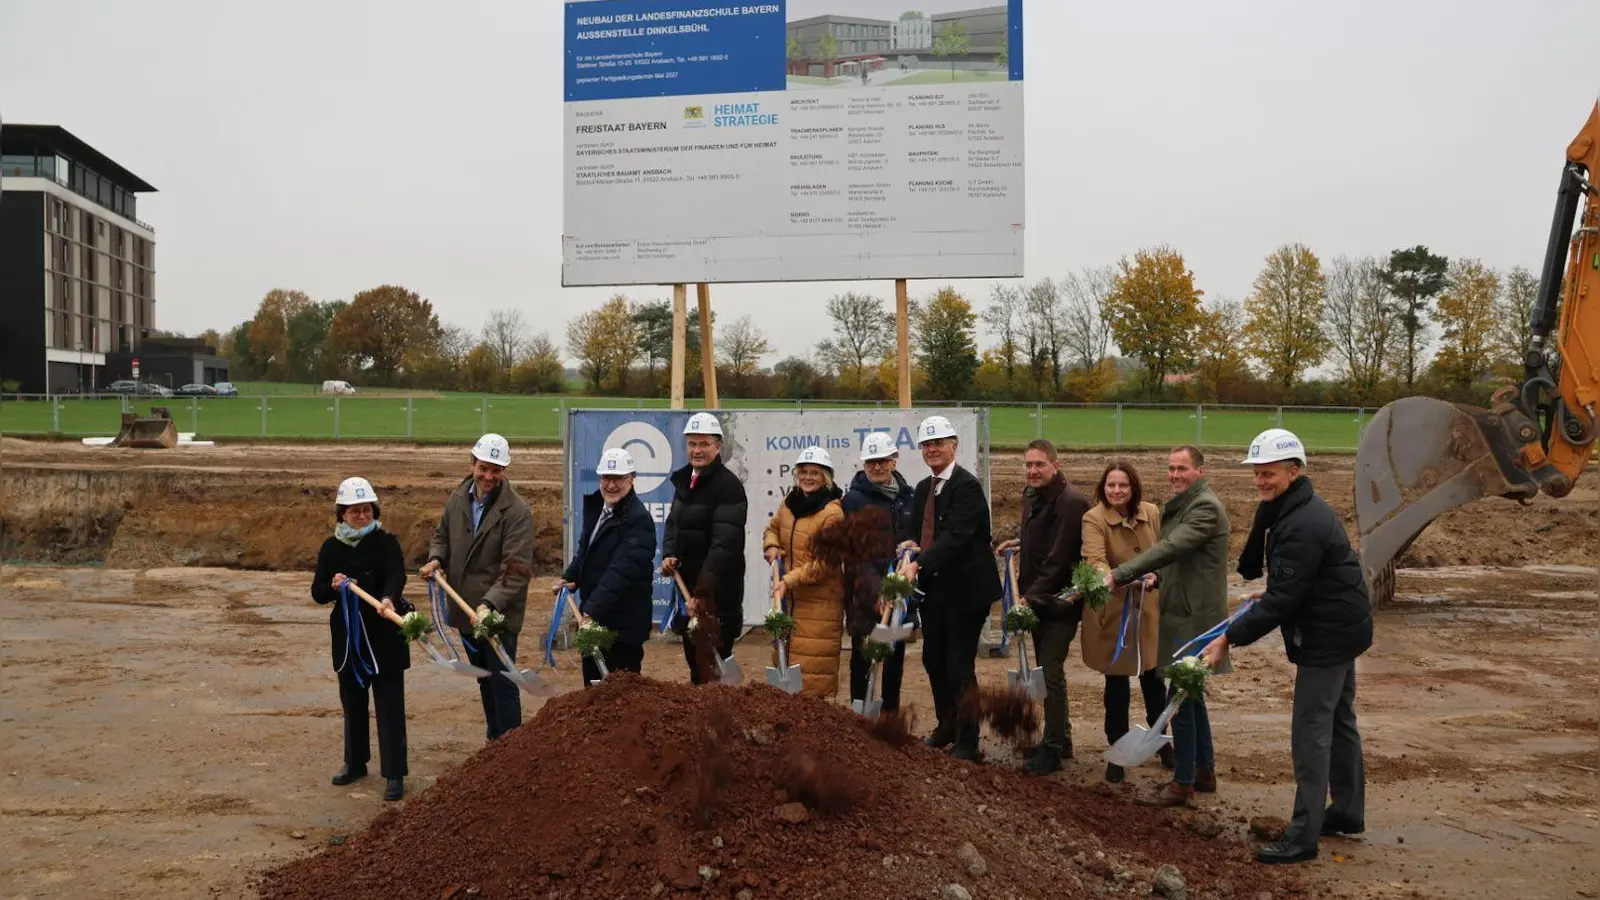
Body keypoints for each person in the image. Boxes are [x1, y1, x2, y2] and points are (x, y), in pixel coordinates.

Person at [1201, 429, 1372, 865]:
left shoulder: (1300, 524)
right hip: (1342, 626)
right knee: (1339, 721)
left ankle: (1303, 837)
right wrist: (1278, 590)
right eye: (1257, 473)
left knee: (1312, 733)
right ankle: (1348, 812)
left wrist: (1227, 638)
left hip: (1327, 636)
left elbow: (1283, 602)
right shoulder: (1297, 510)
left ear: (1294, 471)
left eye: (1270, 473)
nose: (1261, 481)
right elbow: (1294, 585)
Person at [1108, 445, 1231, 807]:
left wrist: (1121, 573)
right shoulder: (1184, 506)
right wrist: (1156, 578)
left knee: (1179, 697)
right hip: (1181, 609)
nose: (1175, 475)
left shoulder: (1205, 507)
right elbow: (1177, 562)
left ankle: (1183, 782)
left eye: (1183, 469)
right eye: (1171, 469)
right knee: (1190, 693)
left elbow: (1174, 547)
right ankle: (1204, 771)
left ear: (1201, 471)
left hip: (1195, 618)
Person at [421, 433, 536, 741]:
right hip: (464, 611)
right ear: (472, 464)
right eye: (483, 468)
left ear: (505, 471)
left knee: (503, 682)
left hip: (496, 615)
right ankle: (494, 739)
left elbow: (516, 569)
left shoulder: (517, 512)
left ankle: (510, 749)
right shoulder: (458, 498)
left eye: (496, 470)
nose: (489, 476)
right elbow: (441, 536)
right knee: (484, 678)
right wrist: (436, 559)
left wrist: (490, 604)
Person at [902, 415, 1002, 762]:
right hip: (935, 590)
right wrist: (907, 548)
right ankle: (946, 725)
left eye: (938, 444)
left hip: (967, 591)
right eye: (927, 445)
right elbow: (918, 533)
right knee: (933, 659)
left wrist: (919, 564)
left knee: (959, 665)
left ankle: (968, 739)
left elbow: (955, 537)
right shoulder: (922, 489)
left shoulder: (966, 487)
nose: (932, 450)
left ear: (953, 447)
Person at [310, 477, 410, 802]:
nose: (361, 516)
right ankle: (355, 763)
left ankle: (394, 773)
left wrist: (389, 598)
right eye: (354, 511)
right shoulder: (331, 548)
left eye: (366, 510)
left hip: (384, 636)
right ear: (342, 514)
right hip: (350, 639)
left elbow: (397, 573)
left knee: (389, 705)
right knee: (353, 704)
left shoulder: (386, 542)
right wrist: (334, 585)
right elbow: (318, 592)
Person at [994, 439, 1092, 775]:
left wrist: (1028, 597)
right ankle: (1060, 739)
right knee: (1046, 671)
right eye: (1029, 465)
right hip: (1037, 599)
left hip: (1059, 602)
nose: (1033, 471)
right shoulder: (1032, 495)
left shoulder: (1071, 503)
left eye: (1040, 465)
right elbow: (1043, 540)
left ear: (1056, 464)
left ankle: (1052, 749)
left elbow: (1058, 560)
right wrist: (1019, 542)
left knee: (1050, 674)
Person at [1080, 459, 1169, 783]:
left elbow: (1164, 553)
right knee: (1116, 686)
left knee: (1154, 681)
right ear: (1103, 488)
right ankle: (1117, 752)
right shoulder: (1093, 518)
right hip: (1114, 612)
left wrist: (1155, 577)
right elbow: (1096, 558)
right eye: (1110, 485)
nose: (1116, 491)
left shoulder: (1152, 513)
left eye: (1123, 486)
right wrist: (1111, 578)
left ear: (1133, 488)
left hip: (1148, 611)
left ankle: (1161, 743)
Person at [661, 413, 749, 684]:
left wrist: (702, 593)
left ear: (717, 447)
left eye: (704, 444)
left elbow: (724, 546)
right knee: (696, 667)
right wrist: (669, 553)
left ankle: (719, 724)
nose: (697, 450)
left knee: (714, 670)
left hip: (717, 598)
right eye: (692, 444)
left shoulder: (728, 487)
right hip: (690, 594)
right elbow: (674, 523)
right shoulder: (686, 482)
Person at [559, 448, 658, 685]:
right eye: (606, 478)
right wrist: (571, 576)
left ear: (632, 479)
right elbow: (585, 551)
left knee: (622, 702)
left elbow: (622, 572)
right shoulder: (597, 508)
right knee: (593, 693)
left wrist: (591, 610)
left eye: (619, 479)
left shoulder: (639, 520)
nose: (611, 485)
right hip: (595, 621)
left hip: (623, 627)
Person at [763, 446, 847, 696]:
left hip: (820, 605)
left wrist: (789, 579)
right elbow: (772, 528)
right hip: (789, 600)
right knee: (785, 662)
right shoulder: (789, 503)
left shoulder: (832, 513)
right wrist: (771, 546)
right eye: (804, 472)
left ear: (826, 477)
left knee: (813, 675)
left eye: (815, 473)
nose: (808, 477)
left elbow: (827, 562)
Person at [842, 431, 914, 714]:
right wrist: (876, 592)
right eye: (871, 462)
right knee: (863, 654)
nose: (877, 467)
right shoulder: (854, 501)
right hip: (864, 595)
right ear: (863, 464)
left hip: (897, 595)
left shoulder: (908, 498)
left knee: (893, 657)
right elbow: (855, 554)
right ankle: (859, 717)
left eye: (882, 461)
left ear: (894, 461)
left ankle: (889, 716)